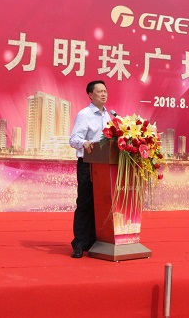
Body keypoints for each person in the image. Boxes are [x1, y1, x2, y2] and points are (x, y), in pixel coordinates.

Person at [68, 80, 112, 258]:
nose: (103, 94)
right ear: (90, 95)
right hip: (87, 164)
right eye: (99, 91)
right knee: (85, 203)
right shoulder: (84, 115)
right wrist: (84, 143)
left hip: (104, 165)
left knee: (99, 204)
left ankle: (94, 241)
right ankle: (79, 244)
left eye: (105, 91)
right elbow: (73, 139)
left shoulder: (109, 115)